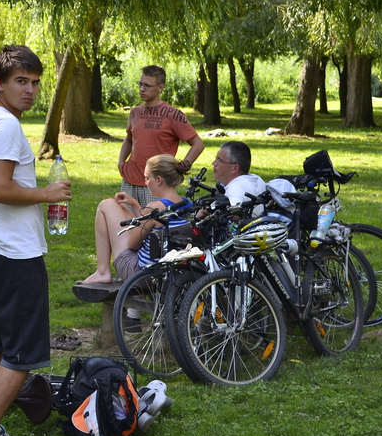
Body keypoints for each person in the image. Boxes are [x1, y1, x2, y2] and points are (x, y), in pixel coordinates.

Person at [0, 45, 72, 436]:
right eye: (20, 82)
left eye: (35, 83)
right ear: (0, 84)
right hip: (13, 256)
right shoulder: (6, 126)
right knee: (21, 355)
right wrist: (47, 193)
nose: (30, 90)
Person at [78, 154, 192, 285]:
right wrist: (134, 204)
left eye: (147, 178)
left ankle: (102, 271)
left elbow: (133, 244)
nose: (145, 183)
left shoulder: (155, 207)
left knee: (107, 205)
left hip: (141, 274)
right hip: (170, 272)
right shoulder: (187, 204)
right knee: (120, 208)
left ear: (158, 180)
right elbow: (151, 223)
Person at [118, 65, 205, 208]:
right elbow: (129, 139)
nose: (142, 89)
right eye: (140, 84)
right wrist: (121, 162)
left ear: (160, 87)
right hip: (130, 179)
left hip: (157, 183)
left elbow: (198, 145)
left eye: (147, 85)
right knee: (127, 221)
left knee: (152, 221)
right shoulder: (135, 112)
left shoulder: (173, 114)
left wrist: (182, 166)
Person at [212, 140, 266, 206]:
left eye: (220, 160)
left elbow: (234, 212)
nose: (214, 163)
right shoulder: (258, 180)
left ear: (234, 168)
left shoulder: (235, 189)